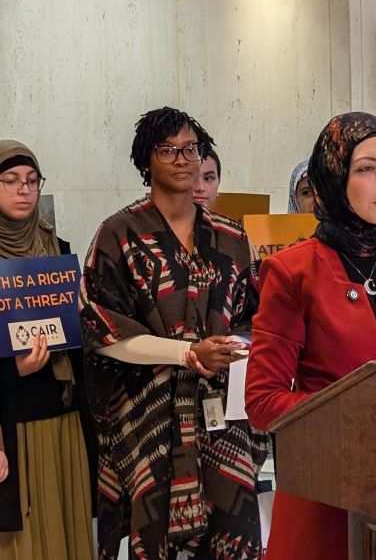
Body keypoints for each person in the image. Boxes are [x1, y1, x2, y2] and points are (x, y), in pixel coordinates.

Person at [245, 112, 376, 560]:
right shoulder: (292, 271)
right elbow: (263, 402)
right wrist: (359, 418)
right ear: (335, 181)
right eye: (366, 168)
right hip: (326, 494)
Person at [79, 107, 266, 559]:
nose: (183, 159)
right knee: (153, 535)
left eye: (191, 149)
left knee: (233, 530)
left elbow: (258, 319)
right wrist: (187, 353)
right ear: (146, 159)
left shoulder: (231, 237)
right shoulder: (119, 235)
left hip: (222, 420)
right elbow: (102, 328)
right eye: (168, 150)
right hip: (149, 418)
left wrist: (230, 347)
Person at [0, 141, 93, 559]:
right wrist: (14, 370)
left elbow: (81, 342)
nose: (24, 190)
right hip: (13, 426)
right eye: (10, 180)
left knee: (67, 533)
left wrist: (83, 312)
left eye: (32, 180)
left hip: (63, 417)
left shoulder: (59, 250)